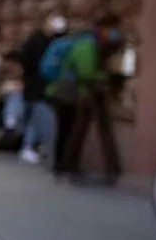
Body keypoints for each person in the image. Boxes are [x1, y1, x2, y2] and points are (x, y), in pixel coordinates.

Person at [41, 14, 125, 183]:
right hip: (80, 93)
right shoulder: (86, 44)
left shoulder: (99, 44)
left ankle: (108, 169)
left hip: (89, 93)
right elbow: (85, 72)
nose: (115, 33)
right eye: (113, 29)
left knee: (84, 130)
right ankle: (68, 166)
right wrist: (105, 77)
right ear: (103, 28)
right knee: (77, 130)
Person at [12, 14, 67, 164]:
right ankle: (29, 147)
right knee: (38, 118)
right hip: (38, 87)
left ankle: (32, 146)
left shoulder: (45, 40)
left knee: (34, 118)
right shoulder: (39, 41)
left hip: (35, 86)